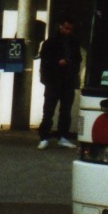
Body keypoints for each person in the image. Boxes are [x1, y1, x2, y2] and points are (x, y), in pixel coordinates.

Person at [36, 17, 81, 149]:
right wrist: (58, 62)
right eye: (66, 28)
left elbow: (78, 59)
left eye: (70, 29)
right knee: (49, 110)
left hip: (66, 80)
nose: (68, 31)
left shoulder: (72, 42)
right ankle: (45, 136)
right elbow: (45, 60)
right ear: (60, 26)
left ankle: (61, 136)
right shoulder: (51, 42)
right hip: (54, 80)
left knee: (65, 110)